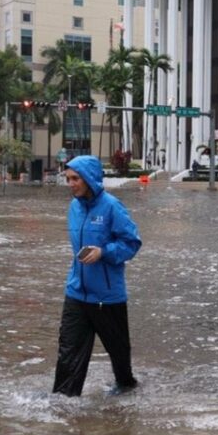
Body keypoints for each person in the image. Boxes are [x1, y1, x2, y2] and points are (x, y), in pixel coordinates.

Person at [53, 155, 143, 397]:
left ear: (90, 179)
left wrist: (103, 252)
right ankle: (63, 402)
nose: (70, 184)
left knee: (119, 357)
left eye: (75, 179)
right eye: (68, 179)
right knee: (68, 353)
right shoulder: (74, 207)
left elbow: (132, 243)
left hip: (107, 297)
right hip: (76, 293)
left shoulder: (112, 207)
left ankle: (127, 393)